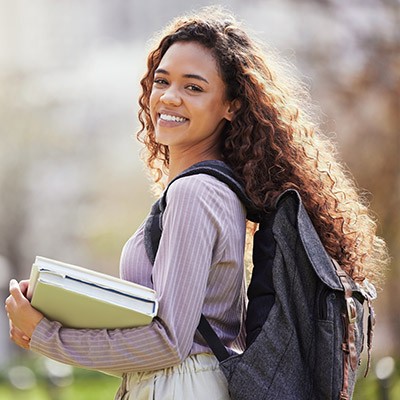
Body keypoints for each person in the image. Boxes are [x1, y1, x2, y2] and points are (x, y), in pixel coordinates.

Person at [5, 6, 388, 400]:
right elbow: (169, 345)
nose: (169, 97)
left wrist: (45, 336)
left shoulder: (196, 194)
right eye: (161, 81)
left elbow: (169, 343)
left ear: (231, 105)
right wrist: (58, 323)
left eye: (193, 87)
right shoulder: (217, 190)